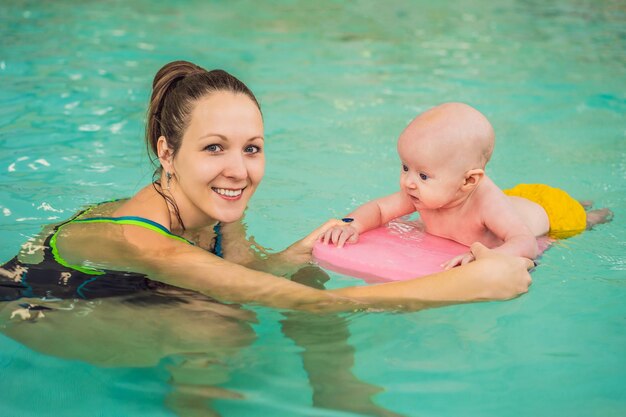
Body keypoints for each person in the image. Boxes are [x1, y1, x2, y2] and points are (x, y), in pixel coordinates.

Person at [0, 63, 534, 312]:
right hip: (43, 304)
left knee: (294, 279)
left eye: (251, 148)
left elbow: (255, 276)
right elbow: (298, 305)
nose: (239, 171)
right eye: (214, 148)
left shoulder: (212, 217)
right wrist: (470, 286)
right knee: (220, 325)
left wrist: (298, 251)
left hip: (131, 296)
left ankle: (336, 388)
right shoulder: (144, 238)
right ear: (168, 153)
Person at [321, 102, 612, 269]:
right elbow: (380, 209)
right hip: (516, 199)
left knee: (585, 218)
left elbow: (525, 243)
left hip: (551, 212)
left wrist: (485, 256)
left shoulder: (486, 203)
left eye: (423, 175)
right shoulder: (423, 193)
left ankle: (593, 211)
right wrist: (353, 225)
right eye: (405, 167)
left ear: (469, 181)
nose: (408, 181)